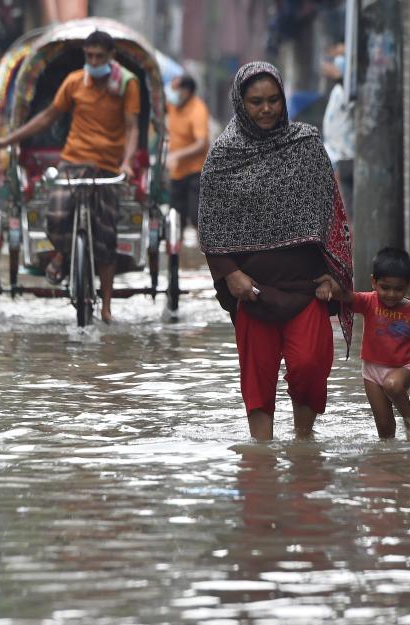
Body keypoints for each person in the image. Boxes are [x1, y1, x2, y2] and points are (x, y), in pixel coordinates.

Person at [199, 61, 353, 442]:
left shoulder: (306, 145)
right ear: (241, 103)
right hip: (252, 289)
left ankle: (304, 443)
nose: (266, 109)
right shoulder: (223, 157)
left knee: (310, 366)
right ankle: (262, 456)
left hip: (307, 287)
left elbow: (332, 214)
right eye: (256, 102)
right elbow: (210, 224)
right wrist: (230, 274)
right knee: (258, 379)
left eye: (273, 100)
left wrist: (335, 274)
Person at [0, 30, 139, 324]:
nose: (93, 61)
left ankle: (106, 307)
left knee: (106, 237)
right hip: (72, 161)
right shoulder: (74, 82)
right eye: (89, 56)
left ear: (111, 57)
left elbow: (132, 127)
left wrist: (128, 162)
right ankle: (62, 256)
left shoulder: (127, 84)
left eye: (99, 57)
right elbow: (47, 117)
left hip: (107, 165)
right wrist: (5, 141)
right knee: (54, 216)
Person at [318, 247, 410, 440]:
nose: (391, 294)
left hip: (402, 368)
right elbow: (346, 296)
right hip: (371, 372)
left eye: (399, 289)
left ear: (408, 285)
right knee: (385, 430)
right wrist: (330, 285)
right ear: (373, 282)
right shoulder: (369, 302)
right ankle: (389, 463)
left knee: (392, 385)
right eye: (385, 288)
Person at [165, 74, 209, 229]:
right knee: (175, 219)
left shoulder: (198, 110)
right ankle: (175, 252)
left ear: (187, 91)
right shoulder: (172, 106)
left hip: (194, 173)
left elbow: (201, 144)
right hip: (176, 173)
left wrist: (177, 155)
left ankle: (204, 251)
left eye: (176, 89)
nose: (172, 92)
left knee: (196, 218)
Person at [320, 43, 355, 224]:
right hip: (334, 156)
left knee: (346, 214)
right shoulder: (337, 90)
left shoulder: (349, 91)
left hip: (345, 156)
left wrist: (341, 53)